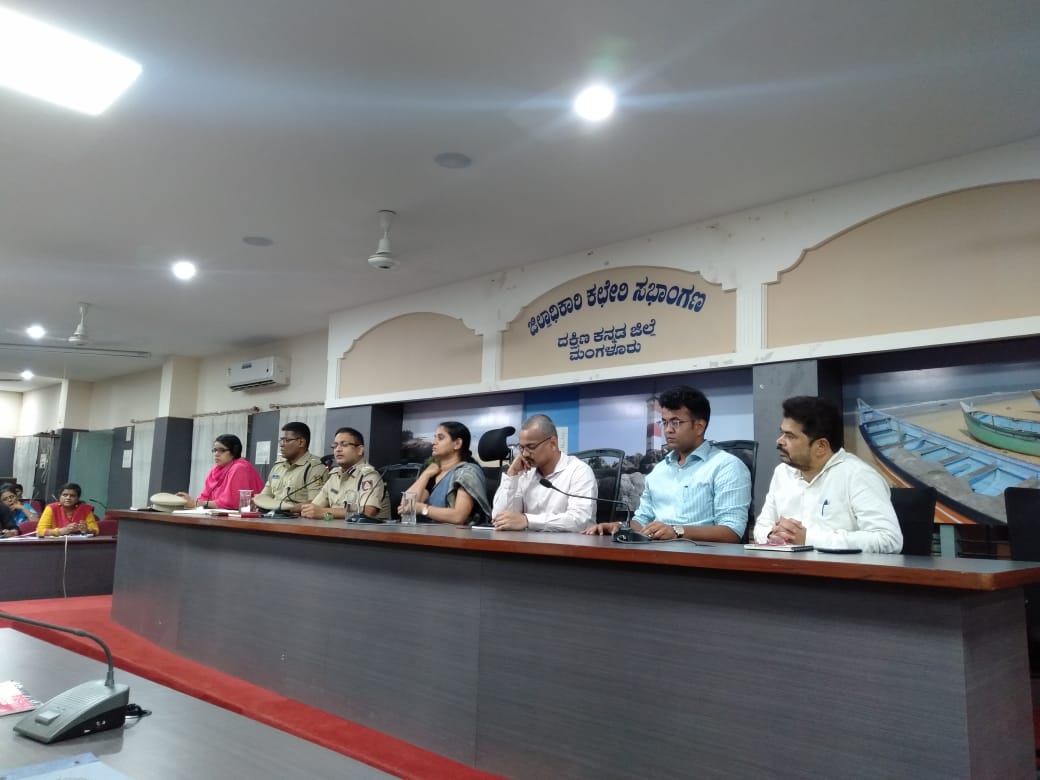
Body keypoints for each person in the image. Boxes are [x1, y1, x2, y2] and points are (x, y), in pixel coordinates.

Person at [585, 385, 751, 542]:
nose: (667, 430)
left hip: (702, 557)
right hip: (655, 553)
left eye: (675, 422)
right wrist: (620, 526)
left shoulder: (727, 466)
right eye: (664, 422)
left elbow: (732, 531)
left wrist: (677, 531)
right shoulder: (659, 470)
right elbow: (642, 521)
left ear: (699, 426)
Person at [753, 396, 902, 553]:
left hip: (838, 568)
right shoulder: (782, 473)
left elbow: (888, 540)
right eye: (782, 433)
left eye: (790, 436)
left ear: (821, 446)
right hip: (785, 566)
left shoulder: (858, 475)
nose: (779, 441)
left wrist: (808, 539)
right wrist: (772, 535)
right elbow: (762, 526)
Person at [491, 414, 596, 532]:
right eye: (521, 448)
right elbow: (498, 519)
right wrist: (512, 474)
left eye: (531, 447)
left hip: (570, 543)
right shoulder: (524, 473)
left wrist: (527, 520)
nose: (524, 454)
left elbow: (579, 521)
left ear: (553, 444)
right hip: (528, 542)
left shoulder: (579, 471)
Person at [403, 421, 491, 525]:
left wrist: (423, 509)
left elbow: (458, 516)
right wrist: (426, 474)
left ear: (457, 443)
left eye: (440, 438)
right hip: (426, 532)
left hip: (454, 534)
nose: (434, 442)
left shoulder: (467, 472)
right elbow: (406, 506)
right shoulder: (433, 473)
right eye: (435, 437)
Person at [301, 428, 390, 521]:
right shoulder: (335, 475)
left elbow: (368, 511)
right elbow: (315, 507)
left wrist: (325, 512)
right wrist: (309, 511)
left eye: (344, 444)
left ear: (359, 450)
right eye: (335, 445)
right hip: (336, 528)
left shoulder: (369, 475)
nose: (338, 449)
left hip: (364, 529)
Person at [254, 422, 329, 513]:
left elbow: (315, 503)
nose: (281, 444)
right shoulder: (278, 466)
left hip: (297, 518)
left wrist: (285, 509)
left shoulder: (315, 468)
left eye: (286, 440)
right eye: (281, 440)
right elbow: (265, 495)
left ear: (301, 442)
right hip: (272, 515)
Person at [176, 434, 265, 510]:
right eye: (215, 450)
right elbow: (205, 497)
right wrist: (188, 501)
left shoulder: (240, 468)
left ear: (234, 452)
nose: (216, 454)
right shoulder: (215, 471)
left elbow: (231, 503)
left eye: (222, 450)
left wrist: (196, 503)